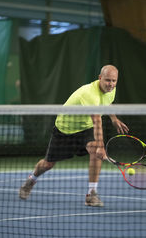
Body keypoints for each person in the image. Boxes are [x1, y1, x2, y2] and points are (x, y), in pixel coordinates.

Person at [19, 65, 129, 207]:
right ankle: (30, 180)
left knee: (95, 151)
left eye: (114, 81)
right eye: (108, 80)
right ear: (100, 78)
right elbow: (97, 120)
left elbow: (107, 102)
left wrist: (114, 119)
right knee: (48, 164)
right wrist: (101, 146)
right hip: (66, 129)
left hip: (85, 128)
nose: (111, 84)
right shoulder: (89, 93)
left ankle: (91, 194)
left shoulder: (110, 90)